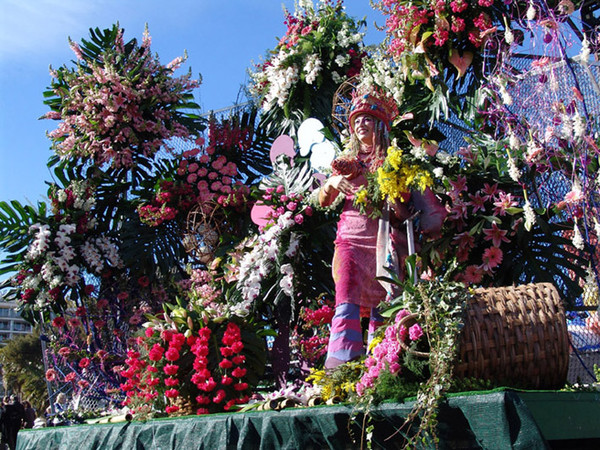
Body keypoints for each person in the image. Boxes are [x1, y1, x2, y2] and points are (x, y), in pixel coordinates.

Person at [319, 86, 445, 368]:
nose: (361, 124)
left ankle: (381, 364)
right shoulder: (346, 162)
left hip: (385, 242)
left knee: (384, 300)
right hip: (350, 238)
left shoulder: (396, 161)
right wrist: (331, 183)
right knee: (346, 290)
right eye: (357, 120)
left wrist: (394, 201)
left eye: (367, 118)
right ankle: (341, 362)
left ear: (381, 124)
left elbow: (410, 208)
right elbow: (323, 200)